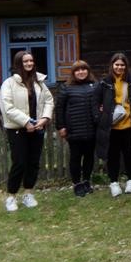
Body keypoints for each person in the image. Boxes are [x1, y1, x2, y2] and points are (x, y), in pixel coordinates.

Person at [0, 51, 54, 212]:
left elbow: (49, 101)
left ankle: (28, 194)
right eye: (25, 61)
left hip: (37, 128)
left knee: (33, 162)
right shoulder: (9, 83)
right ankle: (11, 197)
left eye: (31, 61)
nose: (29, 64)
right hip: (18, 129)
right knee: (19, 163)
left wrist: (44, 119)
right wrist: (25, 122)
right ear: (18, 64)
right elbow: (7, 107)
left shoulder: (39, 82)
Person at [95, 52, 131, 197]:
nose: (119, 67)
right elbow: (96, 102)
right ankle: (114, 182)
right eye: (117, 65)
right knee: (112, 155)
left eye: (122, 65)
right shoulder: (104, 82)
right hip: (111, 126)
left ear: (126, 66)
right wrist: (101, 113)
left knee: (129, 154)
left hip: (128, 124)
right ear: (112, 66)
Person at [56, 60, 99, 197]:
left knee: (89, 157)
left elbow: (100, 103)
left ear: (88, 71)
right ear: (74, 73)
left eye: (84, 69)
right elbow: (59, 108)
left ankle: (86, 181)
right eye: (78, 70)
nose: (81, 72)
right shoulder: (66, 87)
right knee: (75, 157)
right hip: (74, 129)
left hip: (91, 128)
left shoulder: (95, 85)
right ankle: (77, 184)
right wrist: (61, 126)